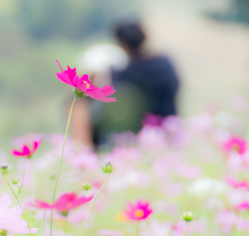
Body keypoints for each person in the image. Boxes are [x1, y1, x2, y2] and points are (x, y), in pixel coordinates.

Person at [72, 19, 180, 150]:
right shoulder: (165, 64)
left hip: (133, 143)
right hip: (170, 134)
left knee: (78, 103)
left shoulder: (120, 75)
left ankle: (85, 150)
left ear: (122, 42)